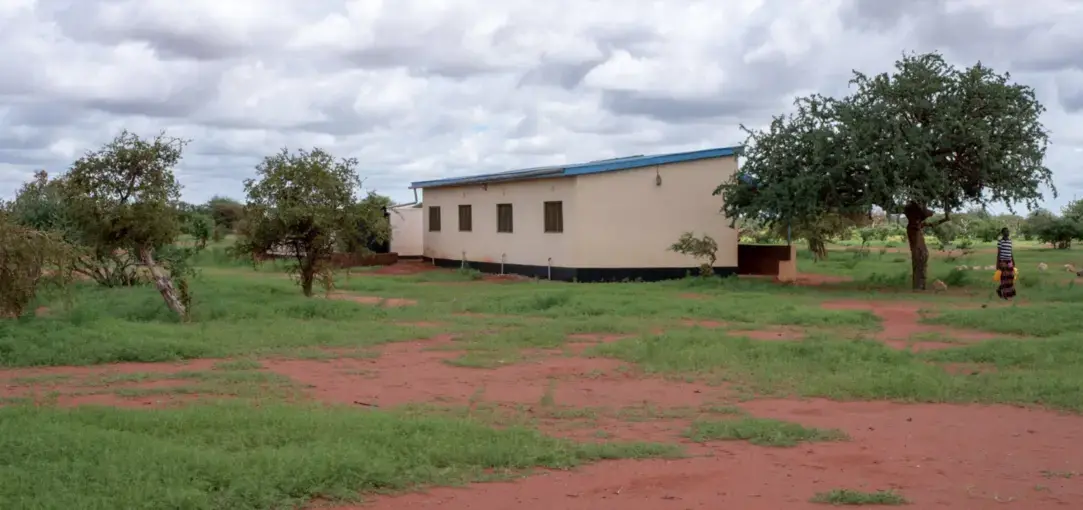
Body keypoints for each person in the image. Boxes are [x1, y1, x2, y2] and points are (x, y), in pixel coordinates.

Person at [996, 227, 1016, 300]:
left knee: (1011, 277)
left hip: (1009, 261)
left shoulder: (1010, 241)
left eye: (1008, 231)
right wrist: (997, 263)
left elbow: (1010, 252)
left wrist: (1013, 261)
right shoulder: (1000, 241)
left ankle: (1000, 290)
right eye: (1006, 232)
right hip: (1003, 261)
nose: (1007, 233)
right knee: (1004, 278)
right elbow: (999, 253)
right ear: (1002, 233)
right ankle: (1005, 294)